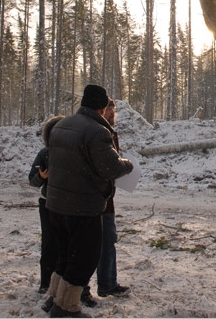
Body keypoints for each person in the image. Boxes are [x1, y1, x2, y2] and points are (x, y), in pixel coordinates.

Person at [44, 85, 133, 318]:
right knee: (83, 259)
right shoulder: (97, 131)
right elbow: (110, 167)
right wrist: (128, 164)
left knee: (64, 256)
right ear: (102, 107)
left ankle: (54, 298)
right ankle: (66, 308)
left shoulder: (62, 125)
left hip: (55, 203)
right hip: (81, 207)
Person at [95, 98, 131, 298]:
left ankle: (108, 283)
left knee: (109, 241)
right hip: (95, 198)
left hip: (107, 197)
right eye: (109, 109)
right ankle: (82, 289)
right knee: (90, 244)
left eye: (114, 110)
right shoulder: (98, 133)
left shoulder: (110, 133)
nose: (112, 113)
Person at [28, 115, 64, 295]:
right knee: (49, 244)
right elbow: (32, 181)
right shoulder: (45, 154)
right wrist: (41, 177)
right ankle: (46, 282)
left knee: (66, 244)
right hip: (48, 203)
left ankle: (63, 283)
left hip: (69, 204)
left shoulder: (73, 152)